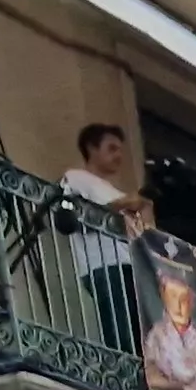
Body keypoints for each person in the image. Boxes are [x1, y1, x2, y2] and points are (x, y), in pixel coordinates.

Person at [60, 122, 152, 354]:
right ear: (92, 148)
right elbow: (72, 217)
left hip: (134, 266)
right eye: (111, 148)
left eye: (120, 149)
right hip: (104, 266)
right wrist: (123, 205)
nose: (118, 155)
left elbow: (146, 234)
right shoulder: (76, 177)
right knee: (121, 335)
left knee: (144, 337)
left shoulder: (118, 192)